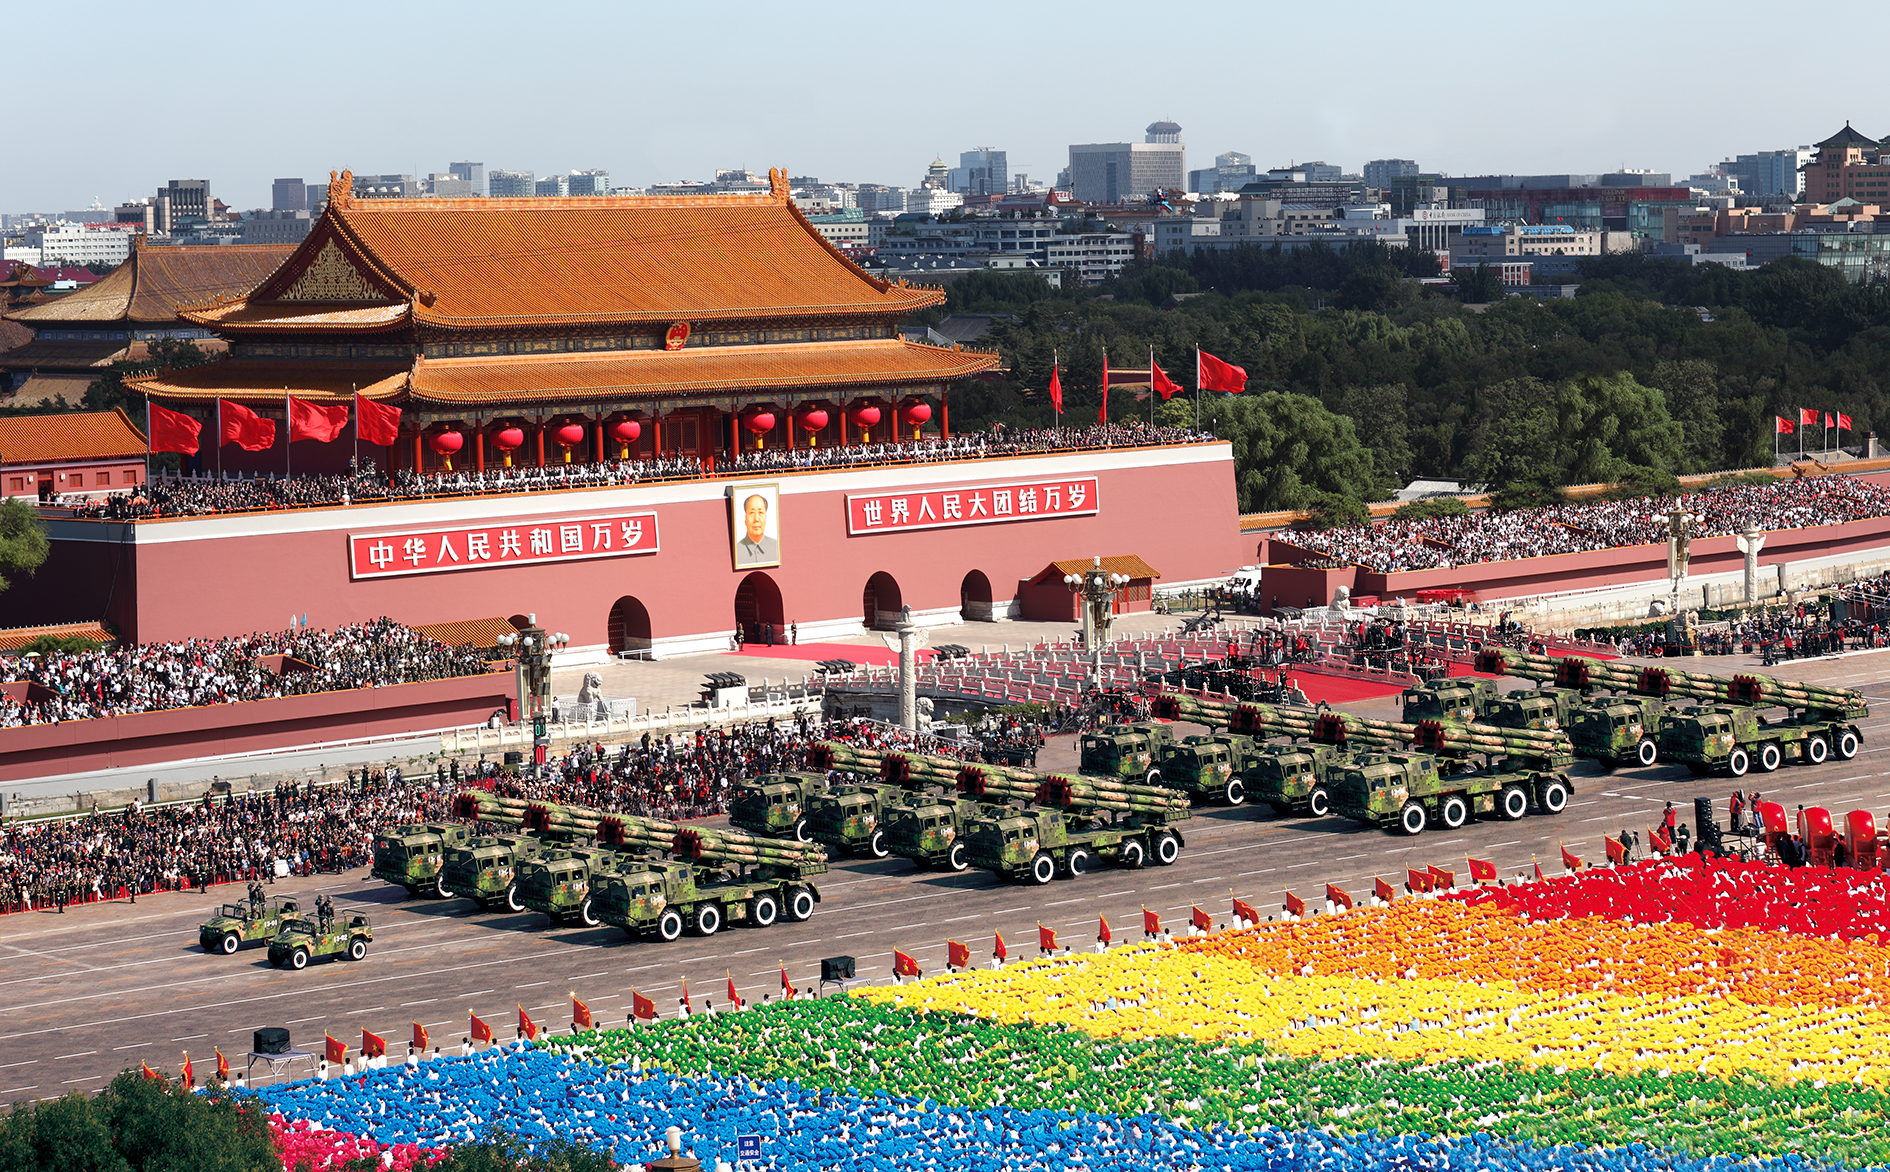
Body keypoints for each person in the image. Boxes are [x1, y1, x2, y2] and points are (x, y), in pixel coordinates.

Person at [734, 492, 779, 565]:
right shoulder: (736, 551)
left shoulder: (776, 548)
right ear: (745, 519)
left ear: (766, 518)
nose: (756, 519)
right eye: (752, 513)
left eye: (760, 512)